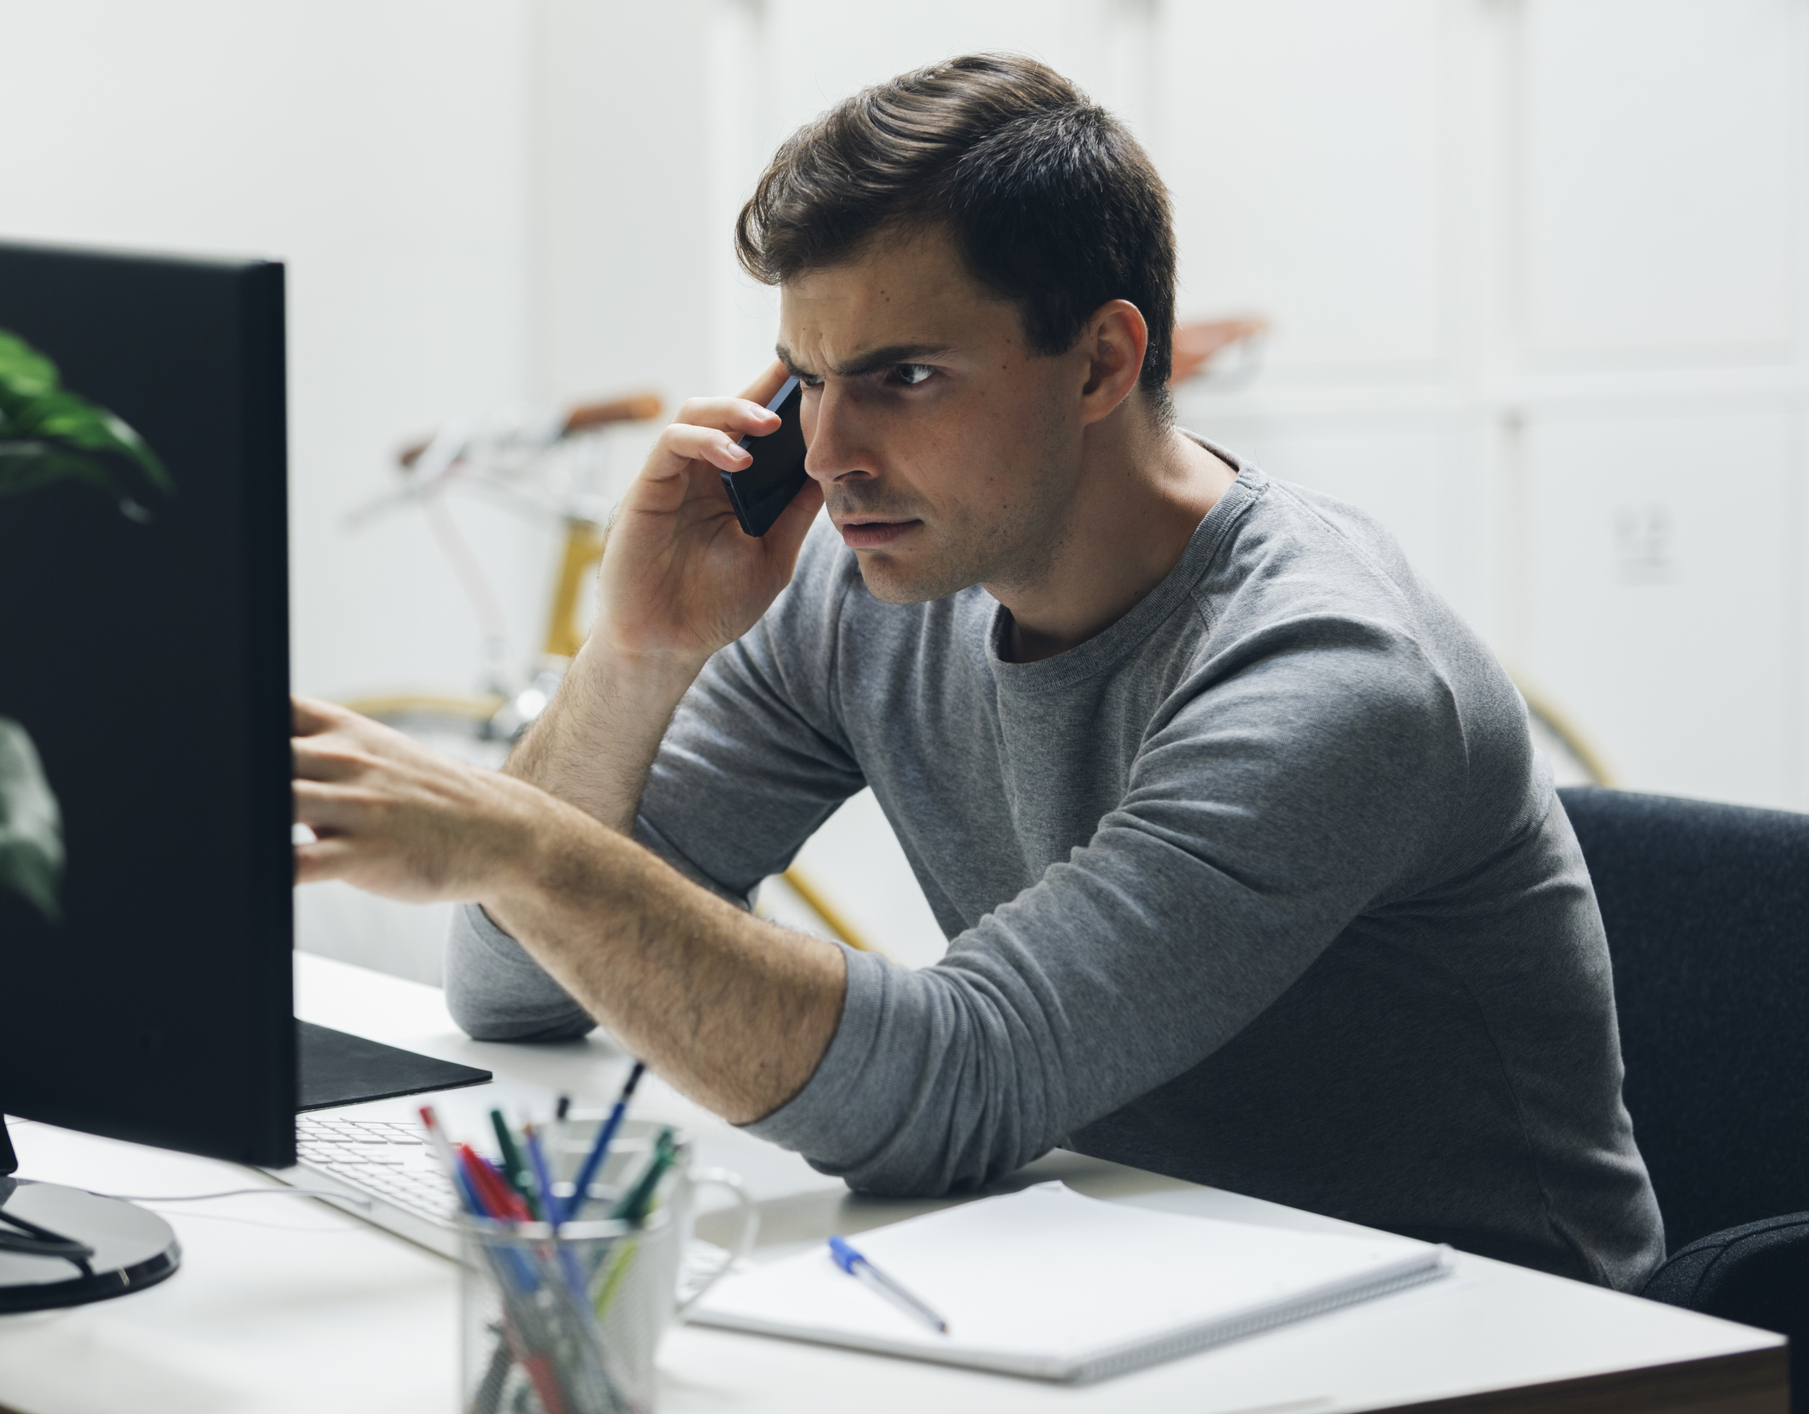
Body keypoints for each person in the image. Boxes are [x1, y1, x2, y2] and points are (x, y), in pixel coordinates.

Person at [292, 54, 1665, 1288]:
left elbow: (955, 1082)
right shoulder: (862, 583)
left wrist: (522, 842)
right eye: (802, 377)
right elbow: (516, 987)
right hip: (1122, 1272)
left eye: (901, 375)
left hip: (1483, 1340)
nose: (826, 453)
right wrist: (636, 650)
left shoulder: (1330, 673)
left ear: (1101, 362)